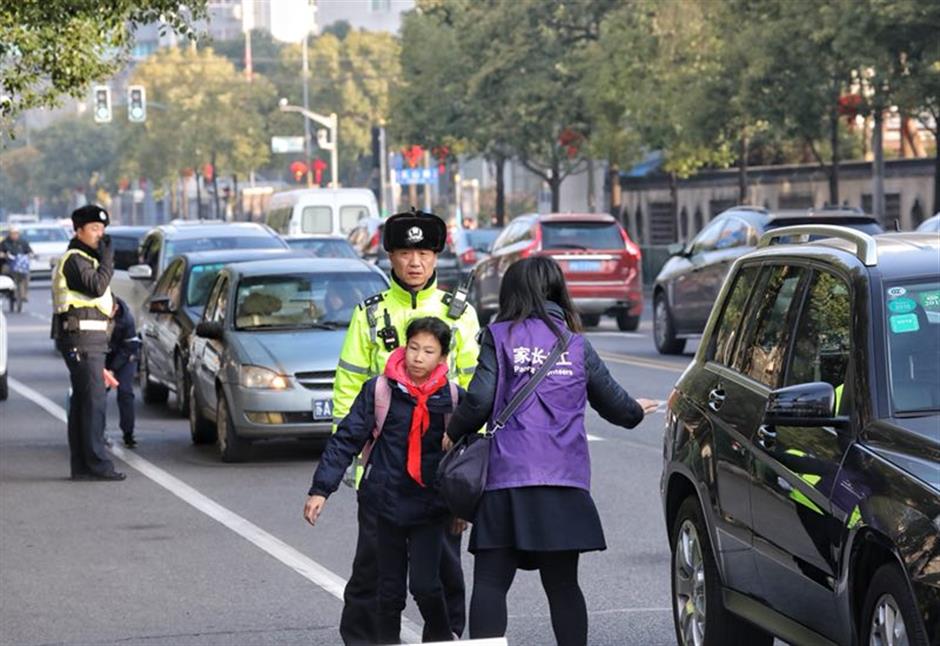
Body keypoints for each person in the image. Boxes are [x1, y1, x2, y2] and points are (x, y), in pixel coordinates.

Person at [444, 256, 659, 646]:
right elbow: (616, 407)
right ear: (558, 290)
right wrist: (636, 411)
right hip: (563, 480)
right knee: (562, 586)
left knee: (492, 581)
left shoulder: (499, 336)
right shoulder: (576, 345)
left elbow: (478, 400)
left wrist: (454, 432)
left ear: (512, 293)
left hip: (506, 479)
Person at [331, 208, 480, 644]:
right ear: (390, 258)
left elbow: (477, 394)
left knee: (443, 571)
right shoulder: (369, 315)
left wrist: (470, 470)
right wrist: (356, 464)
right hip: (384, 474)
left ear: (437, 256)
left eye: (424, 252)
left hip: (441, 475)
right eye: (405, 252)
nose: (415, 262)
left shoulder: (461, 314)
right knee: (373, 570)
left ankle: (447, 637)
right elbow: (348, 391)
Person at [305, 318, 462, 643]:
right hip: (385, 504)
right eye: (414, 348)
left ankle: (443, 639)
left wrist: (463, 508)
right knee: (388, 592)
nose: (418, 357)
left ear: (443, 359)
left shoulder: (454, 398)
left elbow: (467, 458)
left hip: (431, 508)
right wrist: (321, 489)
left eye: (429, 351)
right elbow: (346, 438)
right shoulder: (379, 390)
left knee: (426, 585)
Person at [51, 204, 125, 482]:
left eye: (103, 229)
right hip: (80, 340)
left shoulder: (86, 258)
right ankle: (97, 465)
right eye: (94, 229)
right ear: (78, 230)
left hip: (89, 340)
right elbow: (95, 286)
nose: (100, 235)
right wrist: (108, 259)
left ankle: (83, 466)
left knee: (85, 403)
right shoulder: (75, 259)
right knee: (93, 403)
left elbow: (98, 295)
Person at [106, 296, 140, 448]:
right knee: (97, 394)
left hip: (124, 357)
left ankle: (128, 433)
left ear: (115, 309)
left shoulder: (126, 320)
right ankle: (97, 431)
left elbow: (129, 348)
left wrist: (113, 370)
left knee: (125, 392)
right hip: (102, 357)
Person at [0, 226, 35, 312]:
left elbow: (30, 252)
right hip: (8, 264)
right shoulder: (4, 242)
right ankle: (10, 291)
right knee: (6, 271)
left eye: (16, 233)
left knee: (26, 275)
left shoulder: (23, 242)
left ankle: (24, 295)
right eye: (12, 234)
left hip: (21, 265)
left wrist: (30, 255)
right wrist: (4, 255)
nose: (14, 235)